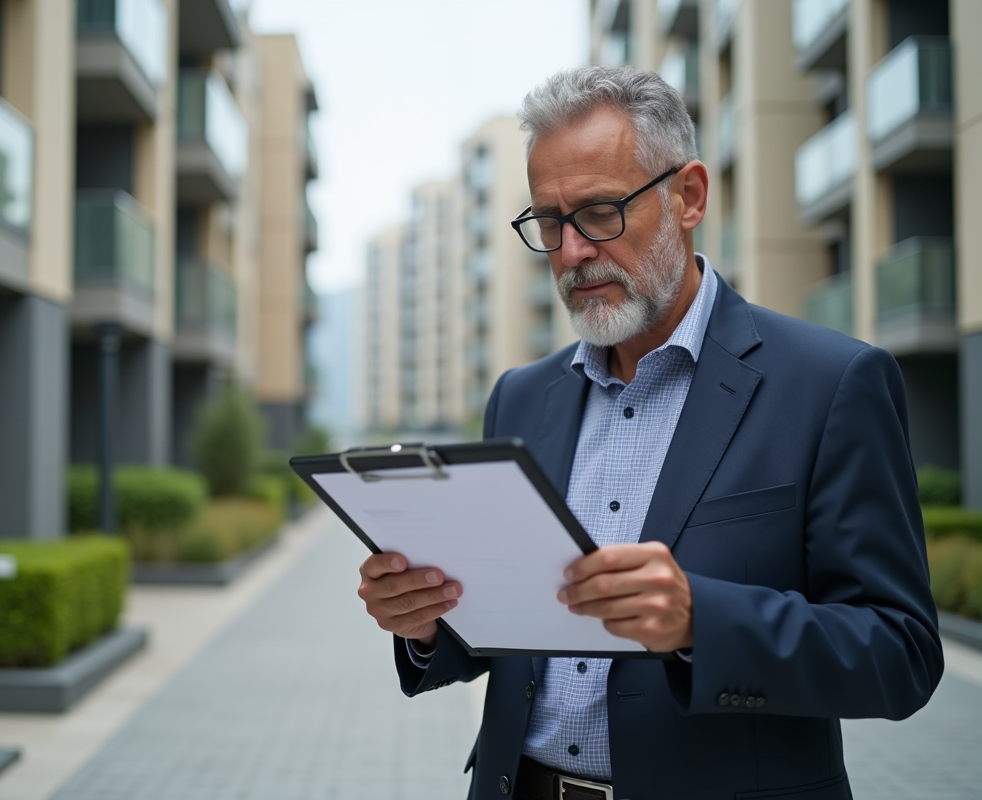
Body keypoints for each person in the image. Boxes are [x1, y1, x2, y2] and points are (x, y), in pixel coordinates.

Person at [355, 65, 943, 800]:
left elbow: (902, 654)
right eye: (549, 222)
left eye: (601, 212)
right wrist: (426, 622)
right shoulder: (521, 398)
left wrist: (703, 621)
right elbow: (504, 633)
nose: (571, 253)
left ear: (689, 195)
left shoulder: (831, 384)